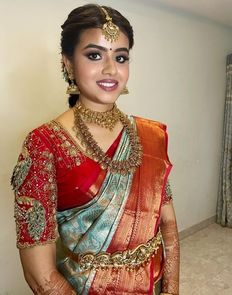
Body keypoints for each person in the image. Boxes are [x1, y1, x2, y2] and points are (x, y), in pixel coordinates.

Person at [11, 4, 180, 295]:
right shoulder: (44, 144)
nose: (111, 69)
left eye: (121, 57)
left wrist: (171, 289)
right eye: (94, 55)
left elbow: (168, 225)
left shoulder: (151, 136)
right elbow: (41, 277)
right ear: (67, 62)